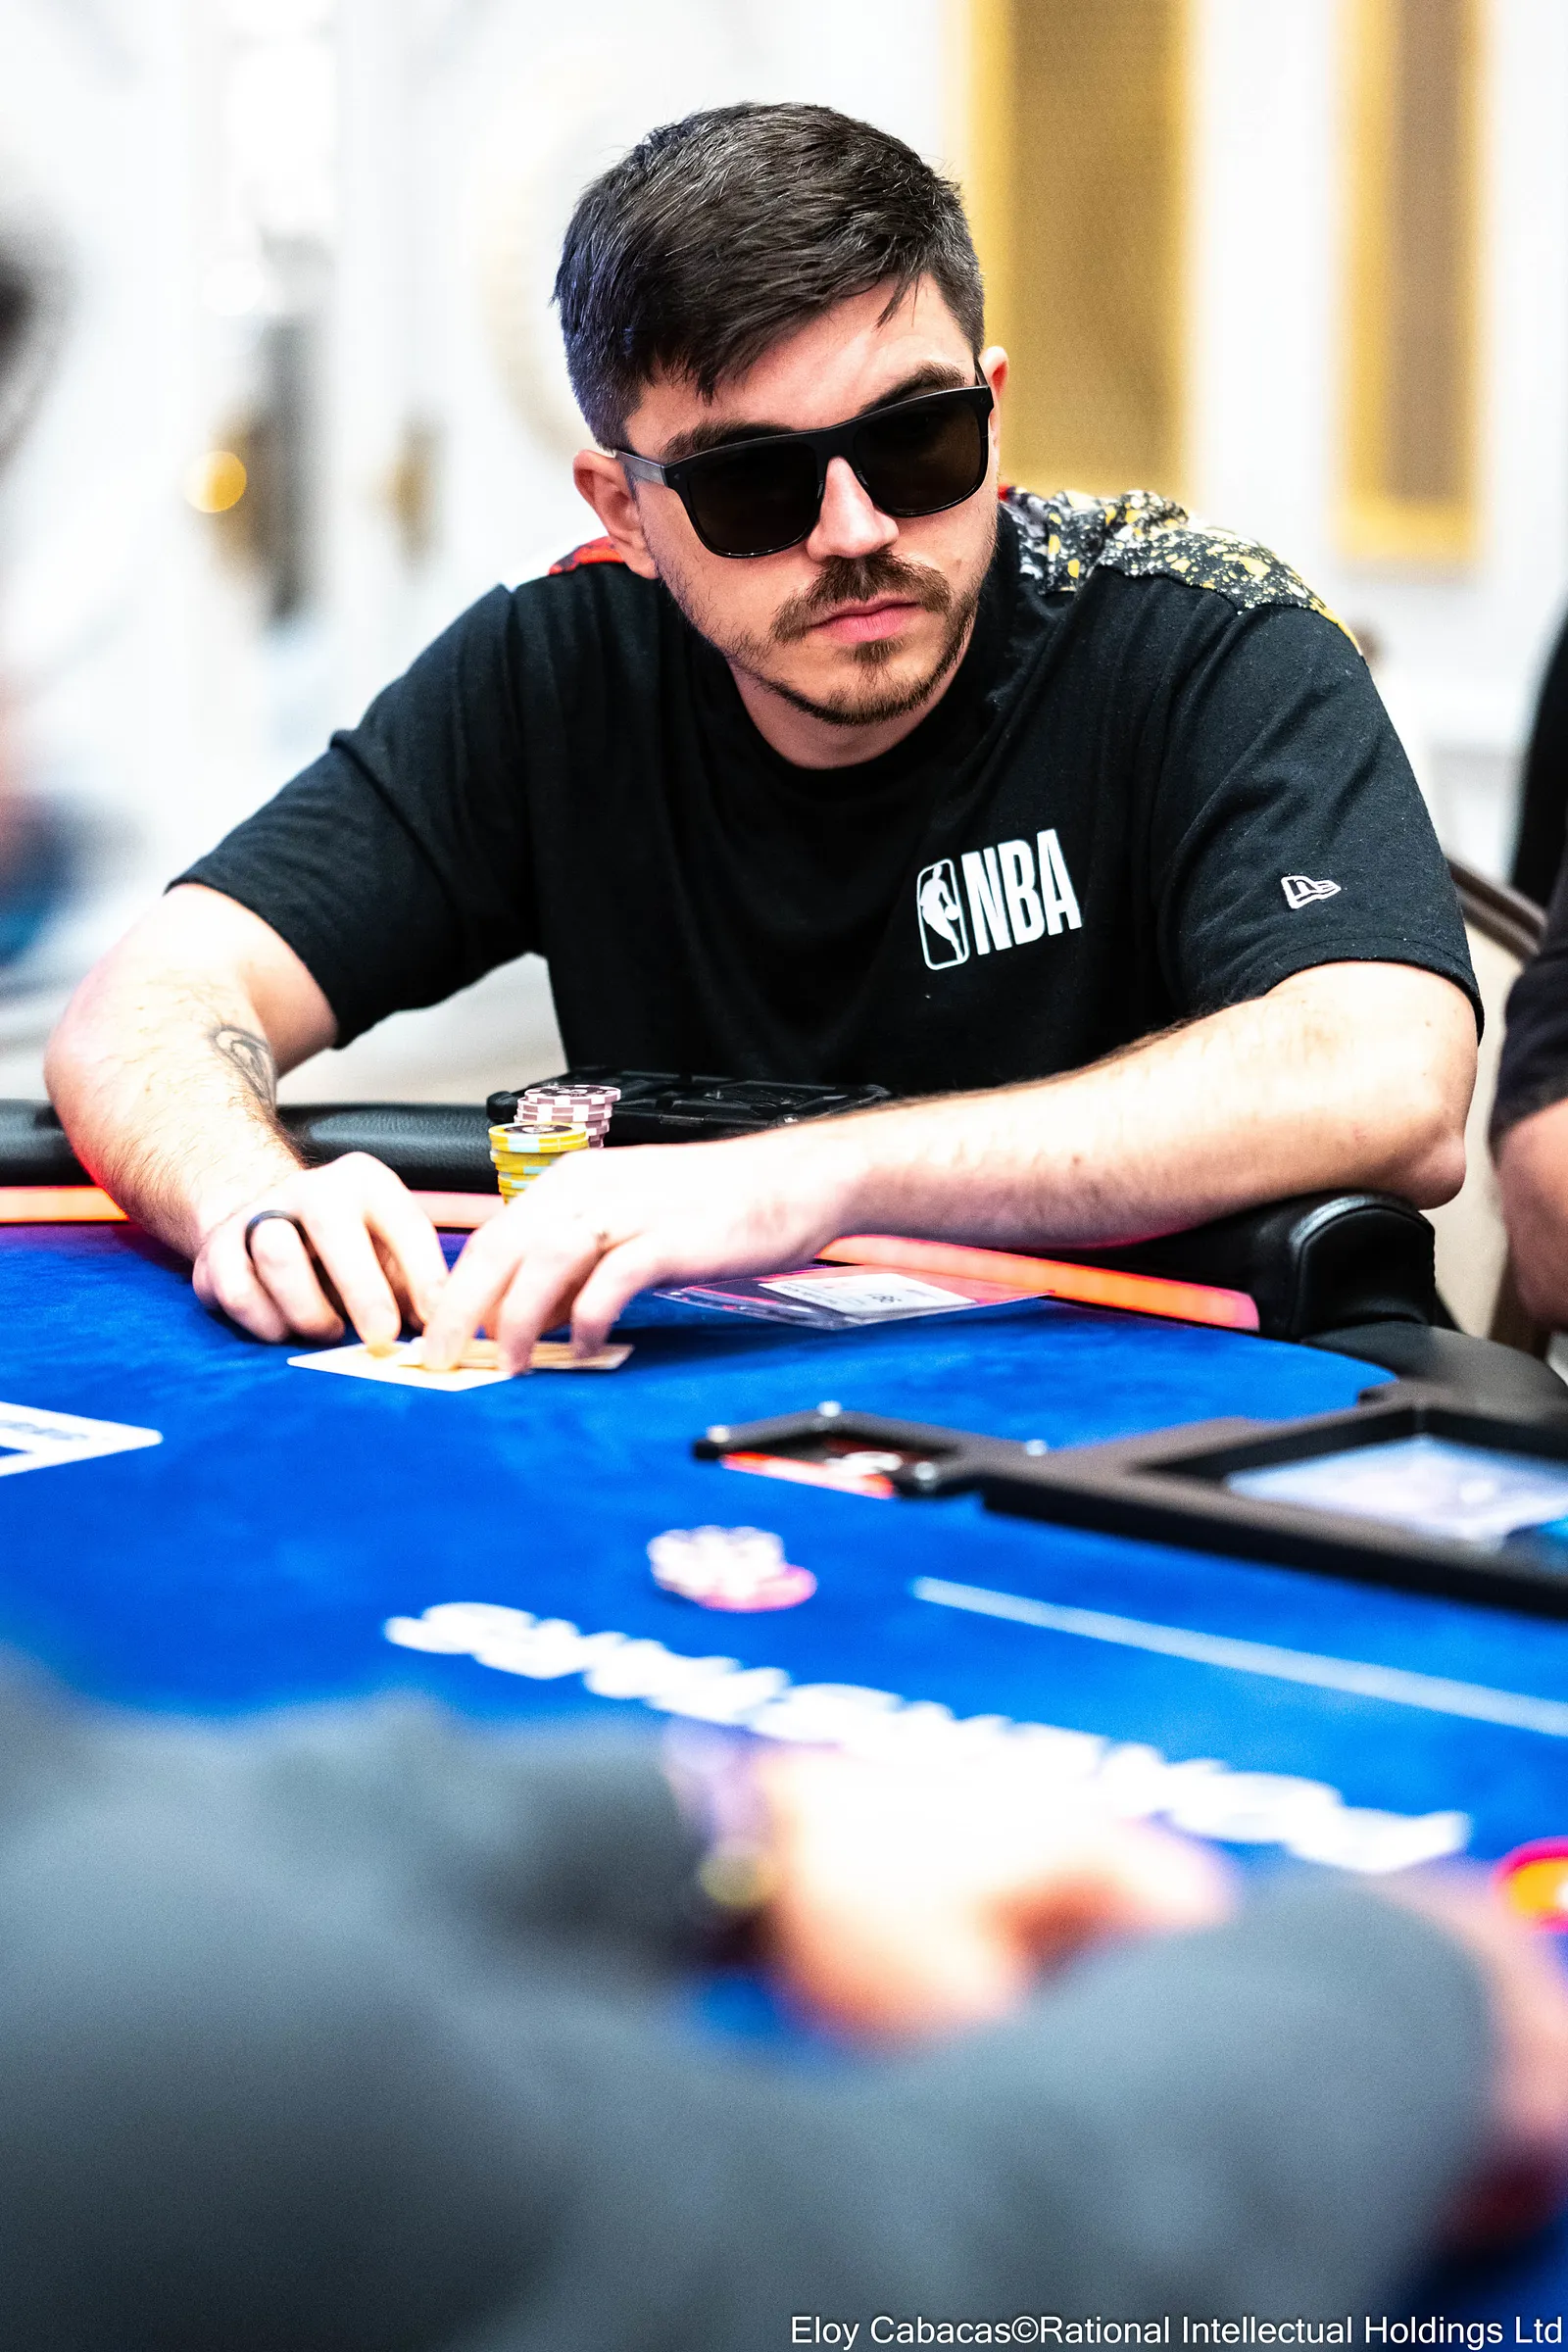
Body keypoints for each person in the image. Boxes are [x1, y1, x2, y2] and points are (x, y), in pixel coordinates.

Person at [45, 104, 1480, 1374]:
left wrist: (809, 1178)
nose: (855, 529)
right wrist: (247, 1193)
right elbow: (151, 1001)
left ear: (994, 410)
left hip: (1213, 1384)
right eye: (754, 487)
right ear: (623, 509)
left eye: (917, 442)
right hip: (733, 1414)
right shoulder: (558, 669)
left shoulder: (1201, 634)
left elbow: (1388, 1075)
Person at [0, 1657, 1561, 2345]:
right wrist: (1410, 1982)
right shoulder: (143, 2070)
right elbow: (928, 2286)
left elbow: (60, 1795)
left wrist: (718, 1825)